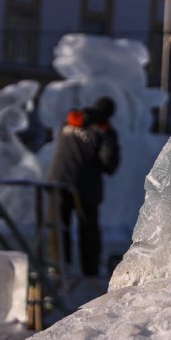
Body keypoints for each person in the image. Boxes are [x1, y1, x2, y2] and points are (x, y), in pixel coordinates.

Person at [48, 96, 120, 276]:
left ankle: (58, 266)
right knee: (88, 229)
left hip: (57, 180)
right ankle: (90, 271)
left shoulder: (71, 120)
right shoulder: (104, 131)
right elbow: (108, 161)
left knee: (58, 225)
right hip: (84, 186)